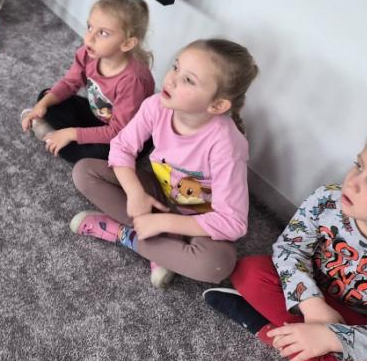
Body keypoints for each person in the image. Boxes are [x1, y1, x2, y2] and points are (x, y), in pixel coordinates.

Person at [72, 39, 259, 288]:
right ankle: (160, 247)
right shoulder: (155, 106)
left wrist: (164, 222)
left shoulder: (227, 144)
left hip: (198, 220)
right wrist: (135, 194)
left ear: (217, 105)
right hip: (158, 195)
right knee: (84, 172)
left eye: (188, 80)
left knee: (216, 264)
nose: (171, 79)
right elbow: (122, 147)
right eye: (176, 67)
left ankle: (125, 234)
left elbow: (232, 222)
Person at [203, 133, 367, 361]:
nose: (352, 182)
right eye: (358, 165)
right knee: (249, 272)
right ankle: (311, 347)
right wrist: (311, 303)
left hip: (362, 327)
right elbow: (290, 249)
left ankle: (264, 327)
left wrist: (334, 338)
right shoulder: (327, 200)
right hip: (305, 297)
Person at [20, 0, 155, 163]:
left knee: (84, 157)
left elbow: (118, 131)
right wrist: (42, 105)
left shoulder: (133, 80)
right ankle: (59, 136)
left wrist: (71, 133)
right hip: (99, 118)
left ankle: (54, 136)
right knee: (46, 97)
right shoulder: (88, 53)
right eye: (90, 27)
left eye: (103, 33)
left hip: (126, 136)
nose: (90, 38)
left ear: (127, 44)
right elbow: (69, 83)